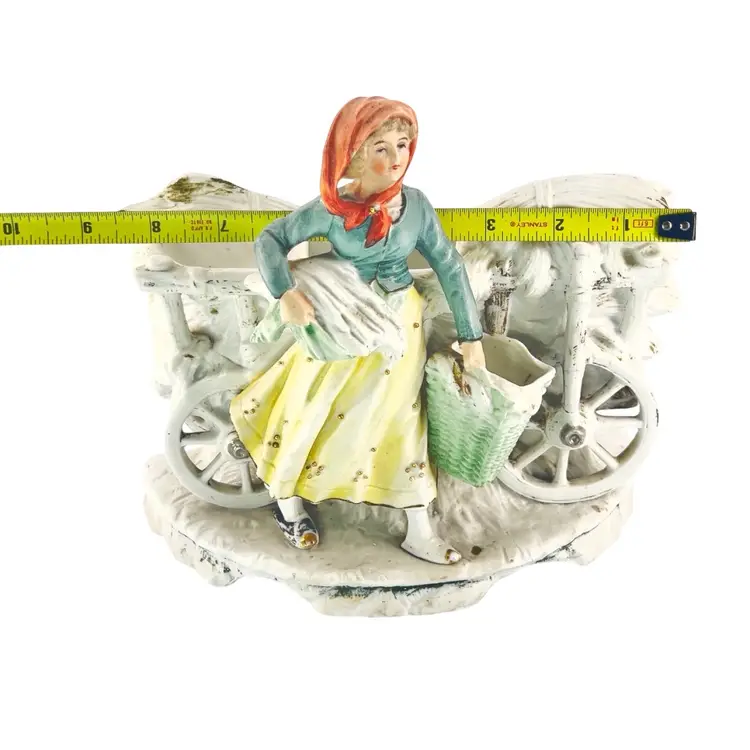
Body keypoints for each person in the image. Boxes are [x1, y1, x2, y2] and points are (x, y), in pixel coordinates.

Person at [229, 96, 486, 564]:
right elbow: (271, 238)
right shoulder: (334, 207)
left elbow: (449, 264)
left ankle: (418, 527)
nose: (396, 158)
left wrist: (471, 336)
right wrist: (287, 292)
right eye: (381, 148)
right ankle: (288, 501)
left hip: (399, 324)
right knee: (314, 406)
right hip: (339, 316)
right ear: (354, 155)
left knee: (403, 417)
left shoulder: (417, 206)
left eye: (403, 145)